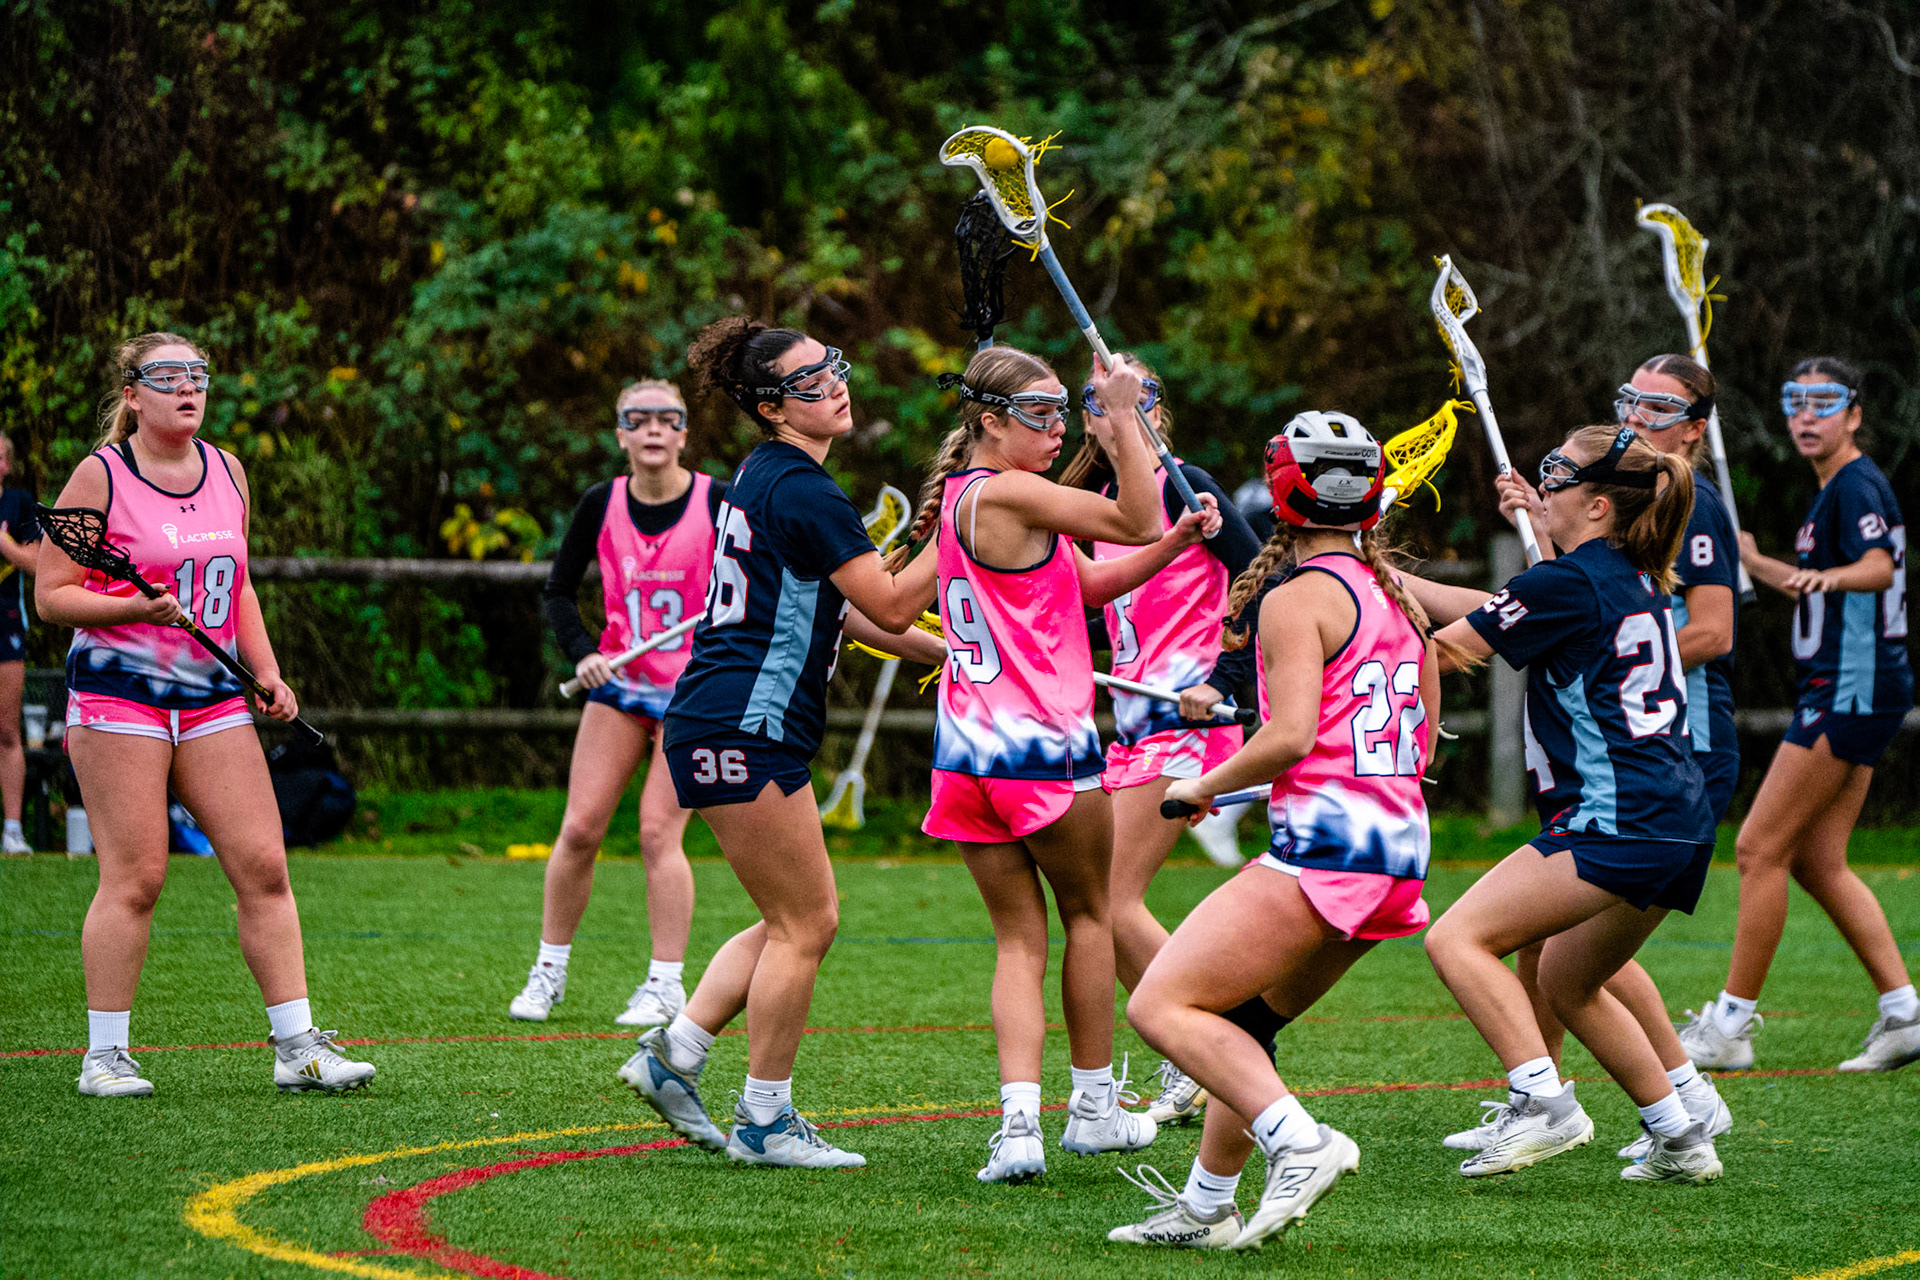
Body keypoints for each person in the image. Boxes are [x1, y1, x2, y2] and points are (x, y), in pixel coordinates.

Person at [618, 318, 943, 1169]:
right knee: (807, 922)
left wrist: (952, 656)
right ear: (771, 407)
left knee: (789, 919)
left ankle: (675, 1055)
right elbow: (892, 600)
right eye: (808, 382)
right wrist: (965, 520)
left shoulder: (768, 473)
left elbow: (854, 610)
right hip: (745, 723)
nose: (834, 385)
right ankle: (764, 1120)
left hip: (725, 719)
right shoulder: (802, 489)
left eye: (833, 366)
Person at [1116, 412, 1438, 1250]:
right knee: (1245, 1025)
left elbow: (1290, 736)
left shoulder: (1296, 598)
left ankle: (1300, 1142)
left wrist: (1203, 786)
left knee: (1161, 1004)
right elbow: (1420, 742)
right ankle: (1207, 1206)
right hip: (1399, 849)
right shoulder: (1398, 596)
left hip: (1326, 850)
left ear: (1282, 492)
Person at [909, 346, 1220, 1184]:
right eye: (1040, 414)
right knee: (1090, 918)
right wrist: (1122, 416)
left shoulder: (966, 497)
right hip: (1043, 748)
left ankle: (1018, 1128)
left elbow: (1088, 584)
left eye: (1061, 411)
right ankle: (1092, 1110)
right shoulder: (1018, 493)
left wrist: (1176, 542)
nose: (1056, 429)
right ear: (989, 421)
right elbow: (1135, 518)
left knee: (1019, 940)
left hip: (966, 754)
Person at [38, 332, 374, 1097]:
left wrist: (267, 670)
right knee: (137, 878)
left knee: (264, 866)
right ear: (132, 395)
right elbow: (52, 595)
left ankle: (298, 1047)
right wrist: (132, 608)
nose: (188, 387)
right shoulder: (102, 475)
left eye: (198, 374)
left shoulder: (228, 470)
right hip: (120, 696)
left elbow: (238, 582)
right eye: (168, 376)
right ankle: (104, 1057)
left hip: (212, 700)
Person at [1406, 424, 1724, 1184]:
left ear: (1599, 505)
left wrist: (1366, 609)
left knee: (1456, 940)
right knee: (1569, 982)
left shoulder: (1566, 583)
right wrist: (1394, 584)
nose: (1541, 483)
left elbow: (1442, 649)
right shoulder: (1627, 574)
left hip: (1617, 820)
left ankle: (1545, 1104)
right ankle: (1682, 1135)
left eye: (1557, 473)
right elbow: (1516, 606)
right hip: (1679, 820)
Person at [1680, 357, 1916, 1073]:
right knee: (1816, 858)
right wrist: (1757, 563)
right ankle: (1904, 1013)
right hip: (1854, 687)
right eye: (1795, 401)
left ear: (1855, 414)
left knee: (1759, 847)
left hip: (1850, 688)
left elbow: (1877, 568)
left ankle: (1731, 1024)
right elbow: (1819, 584)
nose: (1806, 415)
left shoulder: (1856, 484)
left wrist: (1820, 575)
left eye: (1824, 401)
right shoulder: (1832, 490)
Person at [1058, 353, 1263, 1126]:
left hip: (1192, 723)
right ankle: (1200, 1050)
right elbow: (1100, 618)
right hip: (1135, 727)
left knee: (1110, 901)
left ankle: (1210, 1045)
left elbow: (1263, 581)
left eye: (1131, 392)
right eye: (1095, 396)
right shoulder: (1099, 507)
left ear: (1153, 407)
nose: (1110, 405)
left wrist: (1225, 680)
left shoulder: (1187, 485)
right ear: (1087, 419)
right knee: (1098, 905)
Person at [506, 380, 721, 1027]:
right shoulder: (602, 503)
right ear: (621, 434)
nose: (653, 429)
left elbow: (755, 578)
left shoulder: (719, 501)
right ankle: (548, 971)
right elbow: (557, 592)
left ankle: (665, 984)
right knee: (579, 829)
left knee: (658, 832)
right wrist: (581, 653)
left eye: (667, 418)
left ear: (683, 432)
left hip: (691, 693)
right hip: (620, 686)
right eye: (639, 419)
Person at [0, 432, 42, 855]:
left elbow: (37, 562)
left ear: (7, 465)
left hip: (6, 623)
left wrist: (4, 545)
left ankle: (12, 831)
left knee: (6, 730)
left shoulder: (19, 504)